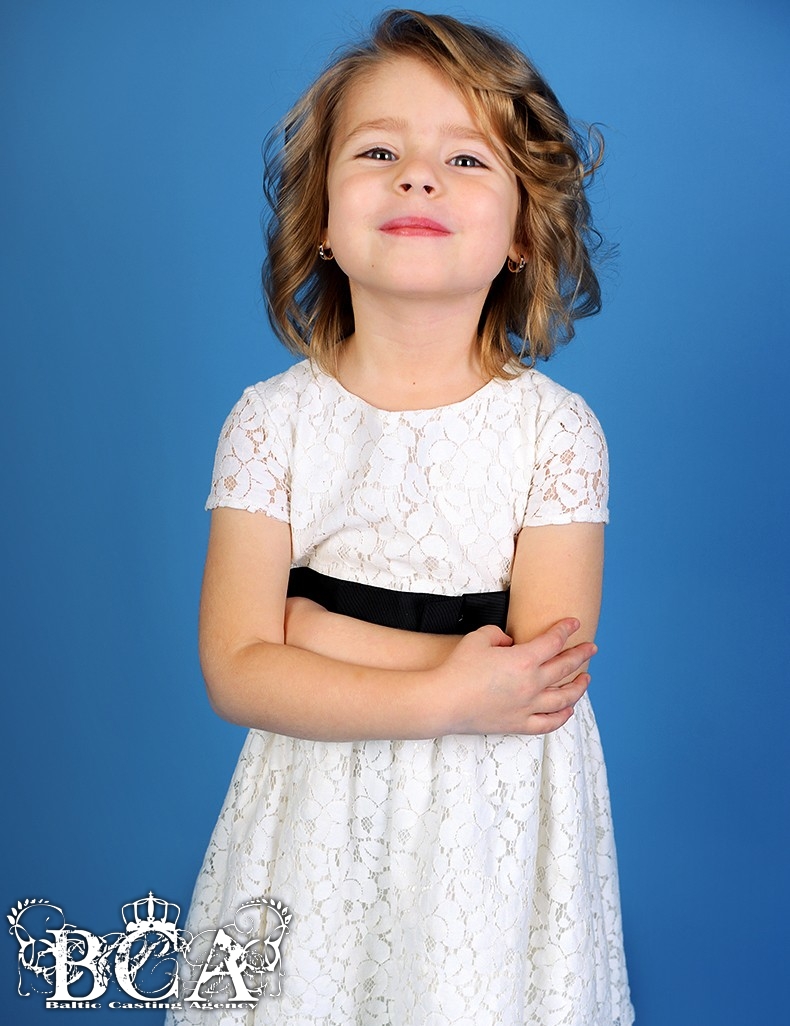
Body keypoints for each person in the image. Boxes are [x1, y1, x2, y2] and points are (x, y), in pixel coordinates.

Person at [169, 10, 634, 1025]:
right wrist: (449, 687)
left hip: (488, 827)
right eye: (378, 152)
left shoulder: (555, 433)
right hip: (312, 814)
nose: (417, 178)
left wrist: (312, 630)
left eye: (465, 159)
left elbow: (538, 674)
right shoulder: (271, 423)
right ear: (321, 219)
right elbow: (234, 669)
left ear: (522, 233)